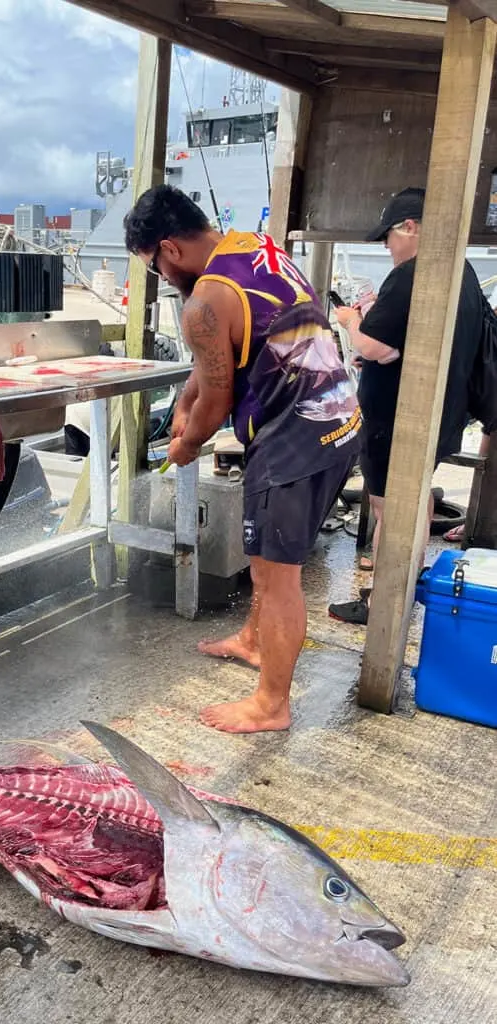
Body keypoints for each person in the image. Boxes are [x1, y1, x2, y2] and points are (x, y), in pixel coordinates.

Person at [123, 184, 360, 734]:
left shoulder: (203, 302)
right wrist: (185, 402)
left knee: (279, 579)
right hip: (340, 418)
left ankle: (272, 705)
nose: (163, 278)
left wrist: (186, 443)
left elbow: (218, 399)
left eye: (155, 267)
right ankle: (254, 640)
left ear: (169, 248)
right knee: (266, 560)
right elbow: (216, 363)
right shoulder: (255, 245)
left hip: (295, 441)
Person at [329, 187, 484, 625]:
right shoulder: (462, 272)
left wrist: (352, 321)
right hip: (442, 415)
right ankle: (405, 584)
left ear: (410, 227)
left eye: (388, 236)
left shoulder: (411, 272)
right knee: (416, 504)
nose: (386, 246)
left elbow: (374, 344)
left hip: (396, 423)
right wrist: (382, 348)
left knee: (390, 510)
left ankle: (383, 605)